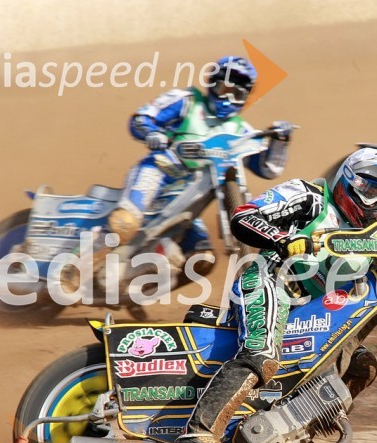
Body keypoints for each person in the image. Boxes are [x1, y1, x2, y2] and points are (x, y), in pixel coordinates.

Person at [171, 148, 377, 443]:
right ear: (348, 180)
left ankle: (293, 432)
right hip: (271, 281)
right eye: (371, 192)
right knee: (262, 353)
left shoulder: (376, 236)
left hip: (314, 310)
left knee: (363, 366)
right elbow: (245, 215)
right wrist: (282, 238)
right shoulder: (309, 196)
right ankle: (197, 436)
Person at [104, 55, 293, 277]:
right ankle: (82, 262)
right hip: (161, 171)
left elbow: (267, 168)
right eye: (225, 89)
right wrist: (152, 133)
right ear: (213, 84)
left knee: (202, 257)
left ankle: (133, 287)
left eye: (238, 94)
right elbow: (142, 118)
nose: (229, 98)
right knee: (126, 222)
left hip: (192, 197)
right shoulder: (187, 101)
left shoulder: (241, 131)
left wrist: (280, 141)